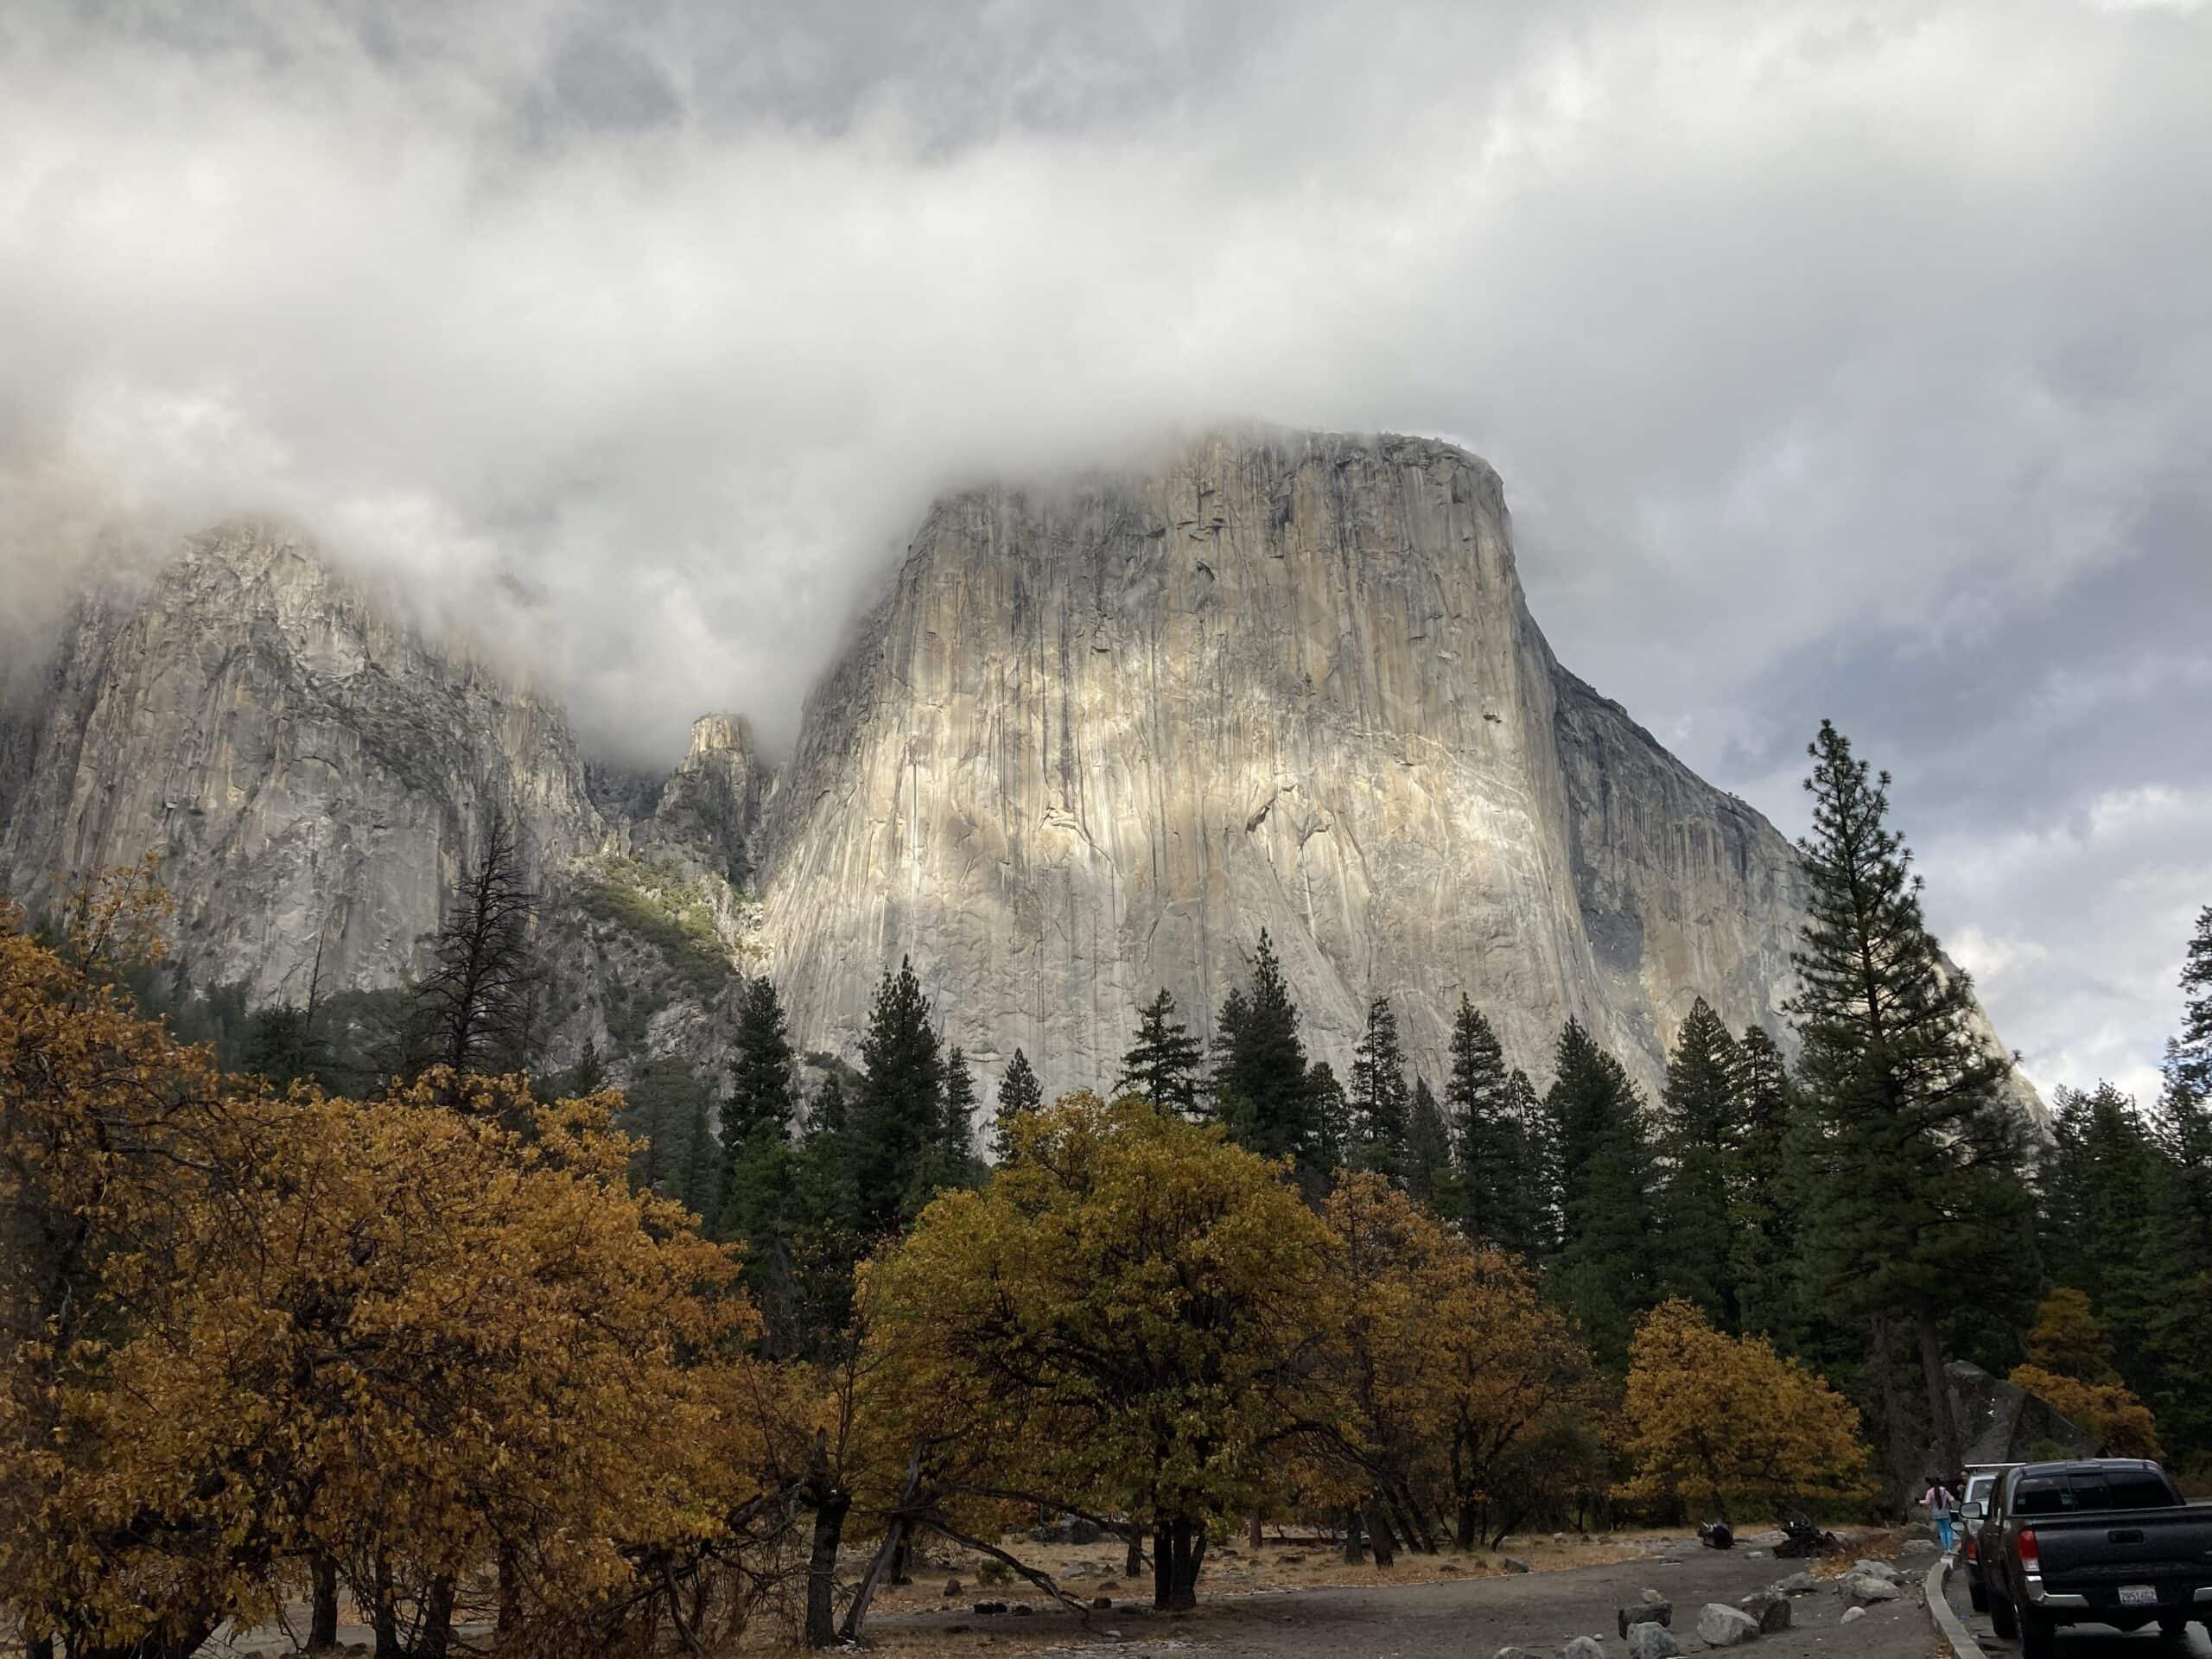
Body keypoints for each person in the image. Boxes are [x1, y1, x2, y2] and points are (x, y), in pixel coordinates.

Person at [1922, 1475, 1957, 1552]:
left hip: (1935, 1513)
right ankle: (1950, 1547)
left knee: (1941, 1530)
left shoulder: (1929, 1492)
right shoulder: (1944, 1490)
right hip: (1945, 1512)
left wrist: (1919, 1501)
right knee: (1948, 1529)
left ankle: (1945, 1548)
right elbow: (1952, 1499)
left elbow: (1927, 1502)